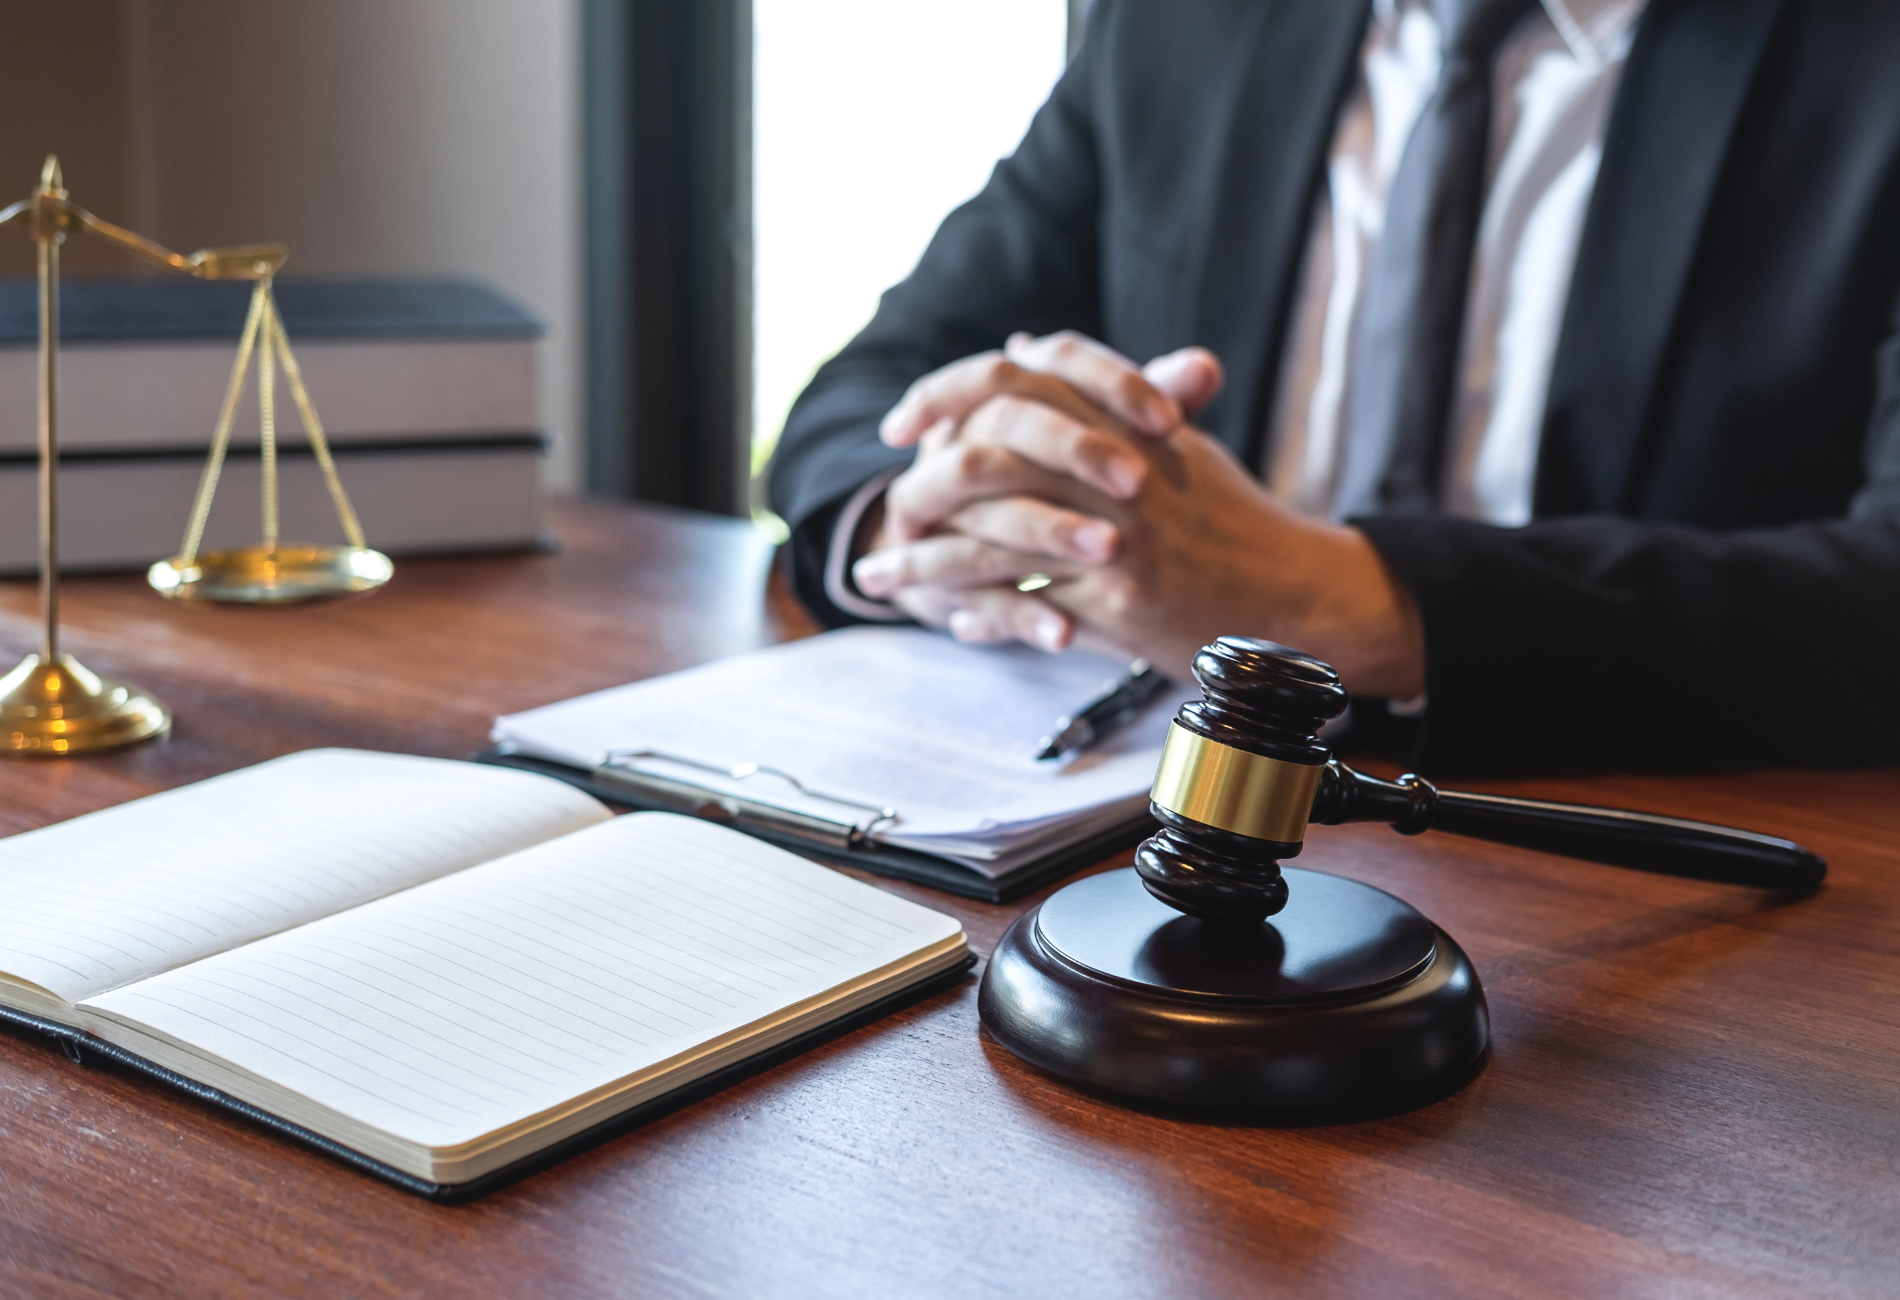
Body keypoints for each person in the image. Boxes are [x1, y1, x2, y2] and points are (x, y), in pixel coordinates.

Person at [766, 0, 1900, 773]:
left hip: (1636, 849)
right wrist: (931, 530)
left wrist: (1350, 603)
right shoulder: (1184, 24)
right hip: (1135, 802)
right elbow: (861, 399)